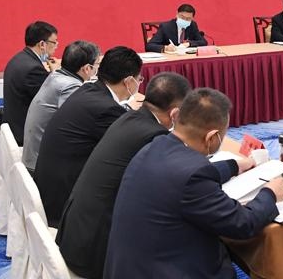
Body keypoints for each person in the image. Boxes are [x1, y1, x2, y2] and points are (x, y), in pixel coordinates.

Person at [104, 88, 283, 279]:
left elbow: (183, 176)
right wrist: (270, 194)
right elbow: (242, 224)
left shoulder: (154, 146)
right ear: (212, 137)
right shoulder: (194, 176)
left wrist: (234, 166)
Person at [57, 72, 191, 279]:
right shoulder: (154, 135)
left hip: (75, 234)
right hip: (95, 252)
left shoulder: (130, 117)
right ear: (175, 113)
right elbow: (180, 183)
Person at [34, 46, 143, 228]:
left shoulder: (88, 90)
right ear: (129, 81)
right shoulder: (106, 109)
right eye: (140, 79)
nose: (139, 84)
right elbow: (130, 149)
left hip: (51, 186)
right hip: (65, 205)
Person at [22, 40, 100, 175]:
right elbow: (79, 125)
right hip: (41, 167)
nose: (97, 68)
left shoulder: (56, 75)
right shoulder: (70, 86)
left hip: (33, 156)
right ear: (87, 68)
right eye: (97, 64)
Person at [3, 21, 59, 145]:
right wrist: (56, 74)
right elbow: (52, 100)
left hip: (12, 124)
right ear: (42, 44)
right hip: (24, 132)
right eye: (54, 42)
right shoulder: (33, 70)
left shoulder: (20, 58)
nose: (56, 46)